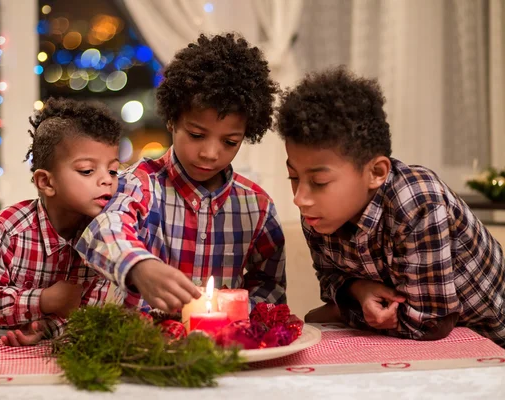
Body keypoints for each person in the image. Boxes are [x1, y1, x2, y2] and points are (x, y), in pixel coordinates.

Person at [277, 66, 505, 346]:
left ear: (376, 172)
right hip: (421, 339)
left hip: (488, 338)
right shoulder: (318, 212)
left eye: (320, 181)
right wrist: (359, 291)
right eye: (293, 177)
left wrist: (344, 311)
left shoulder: (418, 202)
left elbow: (431, 323)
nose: (300, 198)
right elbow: (330, 281)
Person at [76, 33, 286, 313]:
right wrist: (139, 266)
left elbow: (270, 290)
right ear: (172, 120)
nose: (211, 153)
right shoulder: (140, 184)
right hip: (143, 347)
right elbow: (103, 229)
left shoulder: (257, 207)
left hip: (222, 351)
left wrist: (241, 314)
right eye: (197, 134)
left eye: (229, 142)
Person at [0, 97, 121, 345]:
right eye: (87, 170)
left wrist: (44, 328)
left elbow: (84, 310)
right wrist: (45, 300)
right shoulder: (7, 229)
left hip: (43, 349)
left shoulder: (101, 236)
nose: (107, 180)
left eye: (113, 170)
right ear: (46, 182)